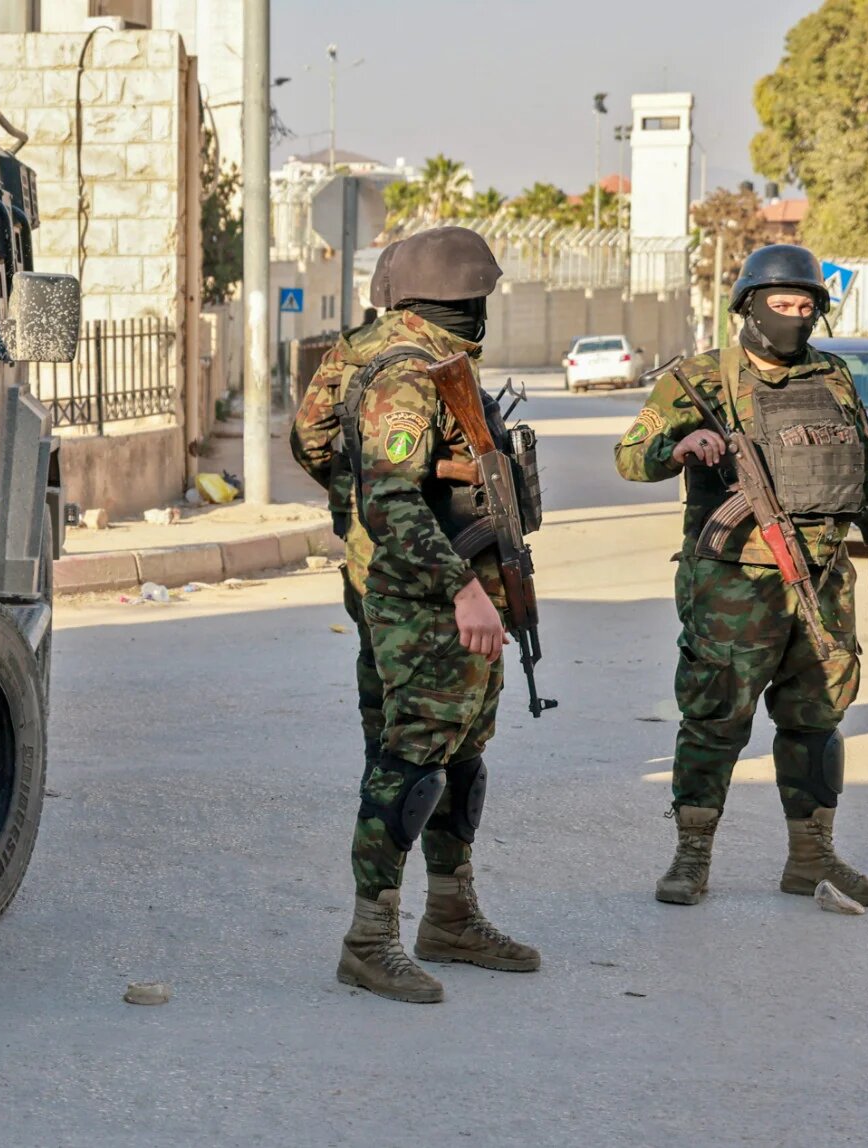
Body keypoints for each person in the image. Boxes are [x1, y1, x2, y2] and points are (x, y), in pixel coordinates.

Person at [614, 243, 868, 909]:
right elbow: (631, 456)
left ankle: (812, 857)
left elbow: (864, 464)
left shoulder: (831, 376)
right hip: (733, 585)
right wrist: (679, 447)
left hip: (824, 577)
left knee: (817, 718)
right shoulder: (702, 378)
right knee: (715, 717)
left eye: (806, 308)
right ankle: (691, 857)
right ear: (749, 307)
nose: (795, 318)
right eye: (783, 305)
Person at [335, 226, 540, 1005]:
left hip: (447, 587)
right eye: (478, 296)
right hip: (428, 597)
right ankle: (369, 938)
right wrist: (461, 587)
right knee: (412, 763)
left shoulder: (407, 360)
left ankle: (450, 916)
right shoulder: (407, 375)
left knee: (461, 758)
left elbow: (322, 451)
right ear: (460, 301)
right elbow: (386, 496)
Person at [290, 244, 398, 780]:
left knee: (374, 651)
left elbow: (308, 438)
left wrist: (348, 490)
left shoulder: (352, 351)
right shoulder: (450, 347)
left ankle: (379, 772)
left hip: (367, 537)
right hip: (449, 540)